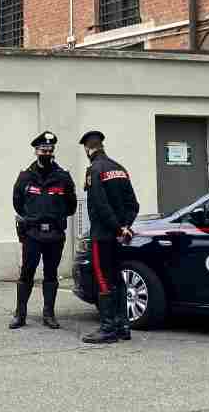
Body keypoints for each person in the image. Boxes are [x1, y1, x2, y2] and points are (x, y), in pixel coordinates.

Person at [9, 131, 78, 330]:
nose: (46, 153)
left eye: (49, 150)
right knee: (27, 273)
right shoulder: (25, 177)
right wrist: (33, 217)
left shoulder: (63, 177)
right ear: (36, 151)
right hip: (32, 234)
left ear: (53, 152)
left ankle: (49, 314)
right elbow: (17, 203)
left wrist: (54, 215)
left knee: (51, 274)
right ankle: (20, 314)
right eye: (42, 150)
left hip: (54, 234)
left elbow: (71, 206)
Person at [79, 130, 139, 344]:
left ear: (88, 149)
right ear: (102, 146)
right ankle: (123, 326)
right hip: (120, 237)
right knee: (118, 279)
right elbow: (134, 205)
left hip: (103, 236)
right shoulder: (119, 168)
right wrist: (125, 228)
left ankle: (108, 328)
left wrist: (115, 228)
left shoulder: (94, 170)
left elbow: (99, 205)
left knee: (103, 279)